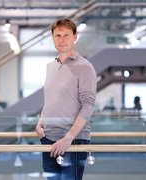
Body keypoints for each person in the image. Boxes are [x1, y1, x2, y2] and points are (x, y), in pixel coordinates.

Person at [35, 18, 97, 180]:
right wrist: (40, 123)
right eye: (58, 35)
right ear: (53, 38)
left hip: (73, 141)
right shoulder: (51, 66)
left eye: (66, 35)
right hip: (48, 139)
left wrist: (68, 139)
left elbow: (88, 105)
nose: (62, 40)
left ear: (75, 37)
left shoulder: (85, 67)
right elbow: (50, 100)